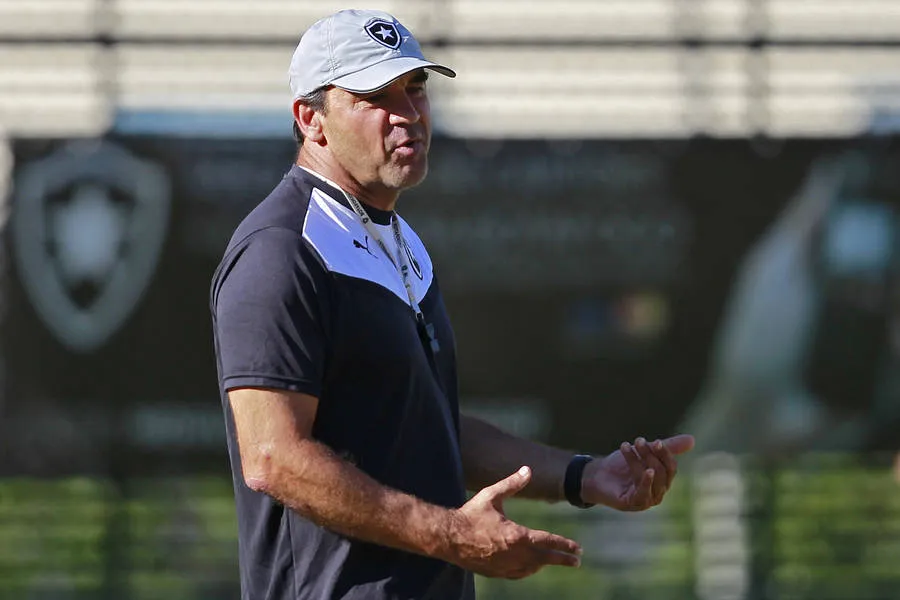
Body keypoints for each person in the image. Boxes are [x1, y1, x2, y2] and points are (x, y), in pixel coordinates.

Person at [210, 8, 695, 600]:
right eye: (375, 97)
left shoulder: (402, 244)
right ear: (311, 119)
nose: (408, 114)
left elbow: (430, 428)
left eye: (416, 89)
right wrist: (452, 534)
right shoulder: (282, 249)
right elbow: (274, 457)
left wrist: (586, 476)